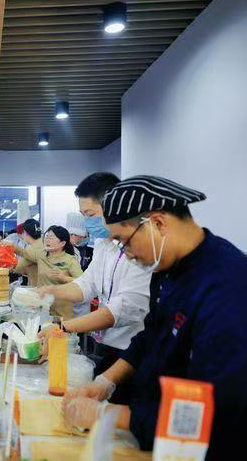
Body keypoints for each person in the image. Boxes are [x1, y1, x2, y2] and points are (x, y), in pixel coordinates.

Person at [61, 175, 247, 459]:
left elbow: (217, 412)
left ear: (158, 223)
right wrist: (104, 383)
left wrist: (109, 414)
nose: (127, 255)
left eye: (124, 242)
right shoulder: (167, 270)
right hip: (164, 428)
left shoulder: (228, 289)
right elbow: (151, 335)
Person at [37, 172, 151, 404]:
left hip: (133, 353)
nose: (88, 222)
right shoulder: (103, 243)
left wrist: (63, 327)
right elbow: (87, 285)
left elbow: (120, 311)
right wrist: (49, 292)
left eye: (90, 214)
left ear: (114, 206)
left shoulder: (142, 247)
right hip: (107, 346)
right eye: (83, 216)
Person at [35, 226, 83, 319]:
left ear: (62, 243)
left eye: (51, 238)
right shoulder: (41, 255)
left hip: (61, 311)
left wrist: (65, 278)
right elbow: (24, 253)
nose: (47, 240)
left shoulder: (70, 260)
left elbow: (82, 283)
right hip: (42, 308)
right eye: (46, 236)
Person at [10, 219, 44, 286]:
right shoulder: (42, 243)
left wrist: (15, 249)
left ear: (25, 232)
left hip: (38, 287)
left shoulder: (33, 249)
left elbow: (18, 268)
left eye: (22, 233)